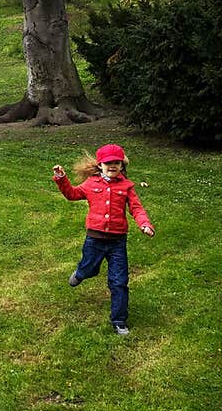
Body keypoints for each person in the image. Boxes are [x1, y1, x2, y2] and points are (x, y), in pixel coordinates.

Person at [52, 143, 154, 336]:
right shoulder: (91, 184)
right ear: (100, 165)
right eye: (108, 163)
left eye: (117, 162)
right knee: (89, 268)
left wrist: (144, 224)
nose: (113, 166)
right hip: (95, 240)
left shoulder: (127, 186)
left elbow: (136, 208)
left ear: (122, 165)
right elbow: (72, 194)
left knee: (119, 281)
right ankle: (81, 273)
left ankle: (119, 320)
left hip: (117, 242)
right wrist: (61, 179)